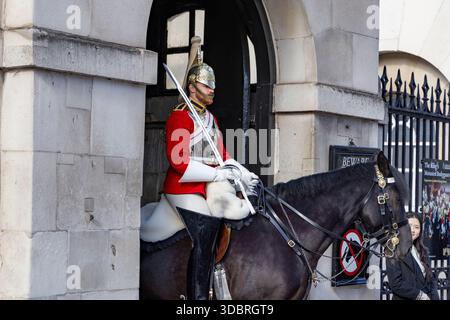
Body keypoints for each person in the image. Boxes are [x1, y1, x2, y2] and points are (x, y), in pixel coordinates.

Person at [162, 38, 258, 300]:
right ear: (192, 88)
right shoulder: (180, 116)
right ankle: (198, 297)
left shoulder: (208, 118)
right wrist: (217, 174)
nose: (212, 89)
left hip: (206, 186)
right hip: (183, 187)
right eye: (207, 84)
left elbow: (222, 155)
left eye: (213, 85)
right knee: (206, 228)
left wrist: (244, 173)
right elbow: (178, 161)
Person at [385, 212, 440, 300]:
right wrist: (420, 295)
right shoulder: (392, 250)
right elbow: (396, 284)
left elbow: (430, 279)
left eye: (417, 227)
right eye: (409, 226)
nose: (413, 230)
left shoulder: (423, 251)